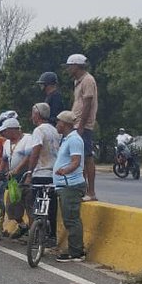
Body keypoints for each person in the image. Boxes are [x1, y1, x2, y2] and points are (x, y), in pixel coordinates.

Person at [18, 102, 60, 240]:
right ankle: (52, 235)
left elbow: (35, 153)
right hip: (53, 174)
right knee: (51, 206)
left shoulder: (39, 130)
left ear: (37, 115)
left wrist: (29, 172)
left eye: (33, 114)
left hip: (41, 172)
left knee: (38, 206)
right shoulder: (54, 130)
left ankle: (38, 233)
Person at [53, 110, 87, 262]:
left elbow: (76, 162)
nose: (56, 125)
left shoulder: (74, 140)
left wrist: (64, 171)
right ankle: (75, 249)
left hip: (71, 185)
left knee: (72, 218)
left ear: (65, 124)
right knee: (68, 218)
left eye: (58, 122)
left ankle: (77, 252)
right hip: (63, 185)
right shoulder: (66, 139)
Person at [66, 53, 99, 201]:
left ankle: (91, 192)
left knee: (87, 157)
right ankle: (82, 189)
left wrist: (81, 125)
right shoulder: (77, 82)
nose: (68, 69)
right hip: (76, 123)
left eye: (69, 66)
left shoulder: (88, 80)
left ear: (76, 65)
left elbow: (87, 104)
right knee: (78, 158)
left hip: (83, 125)